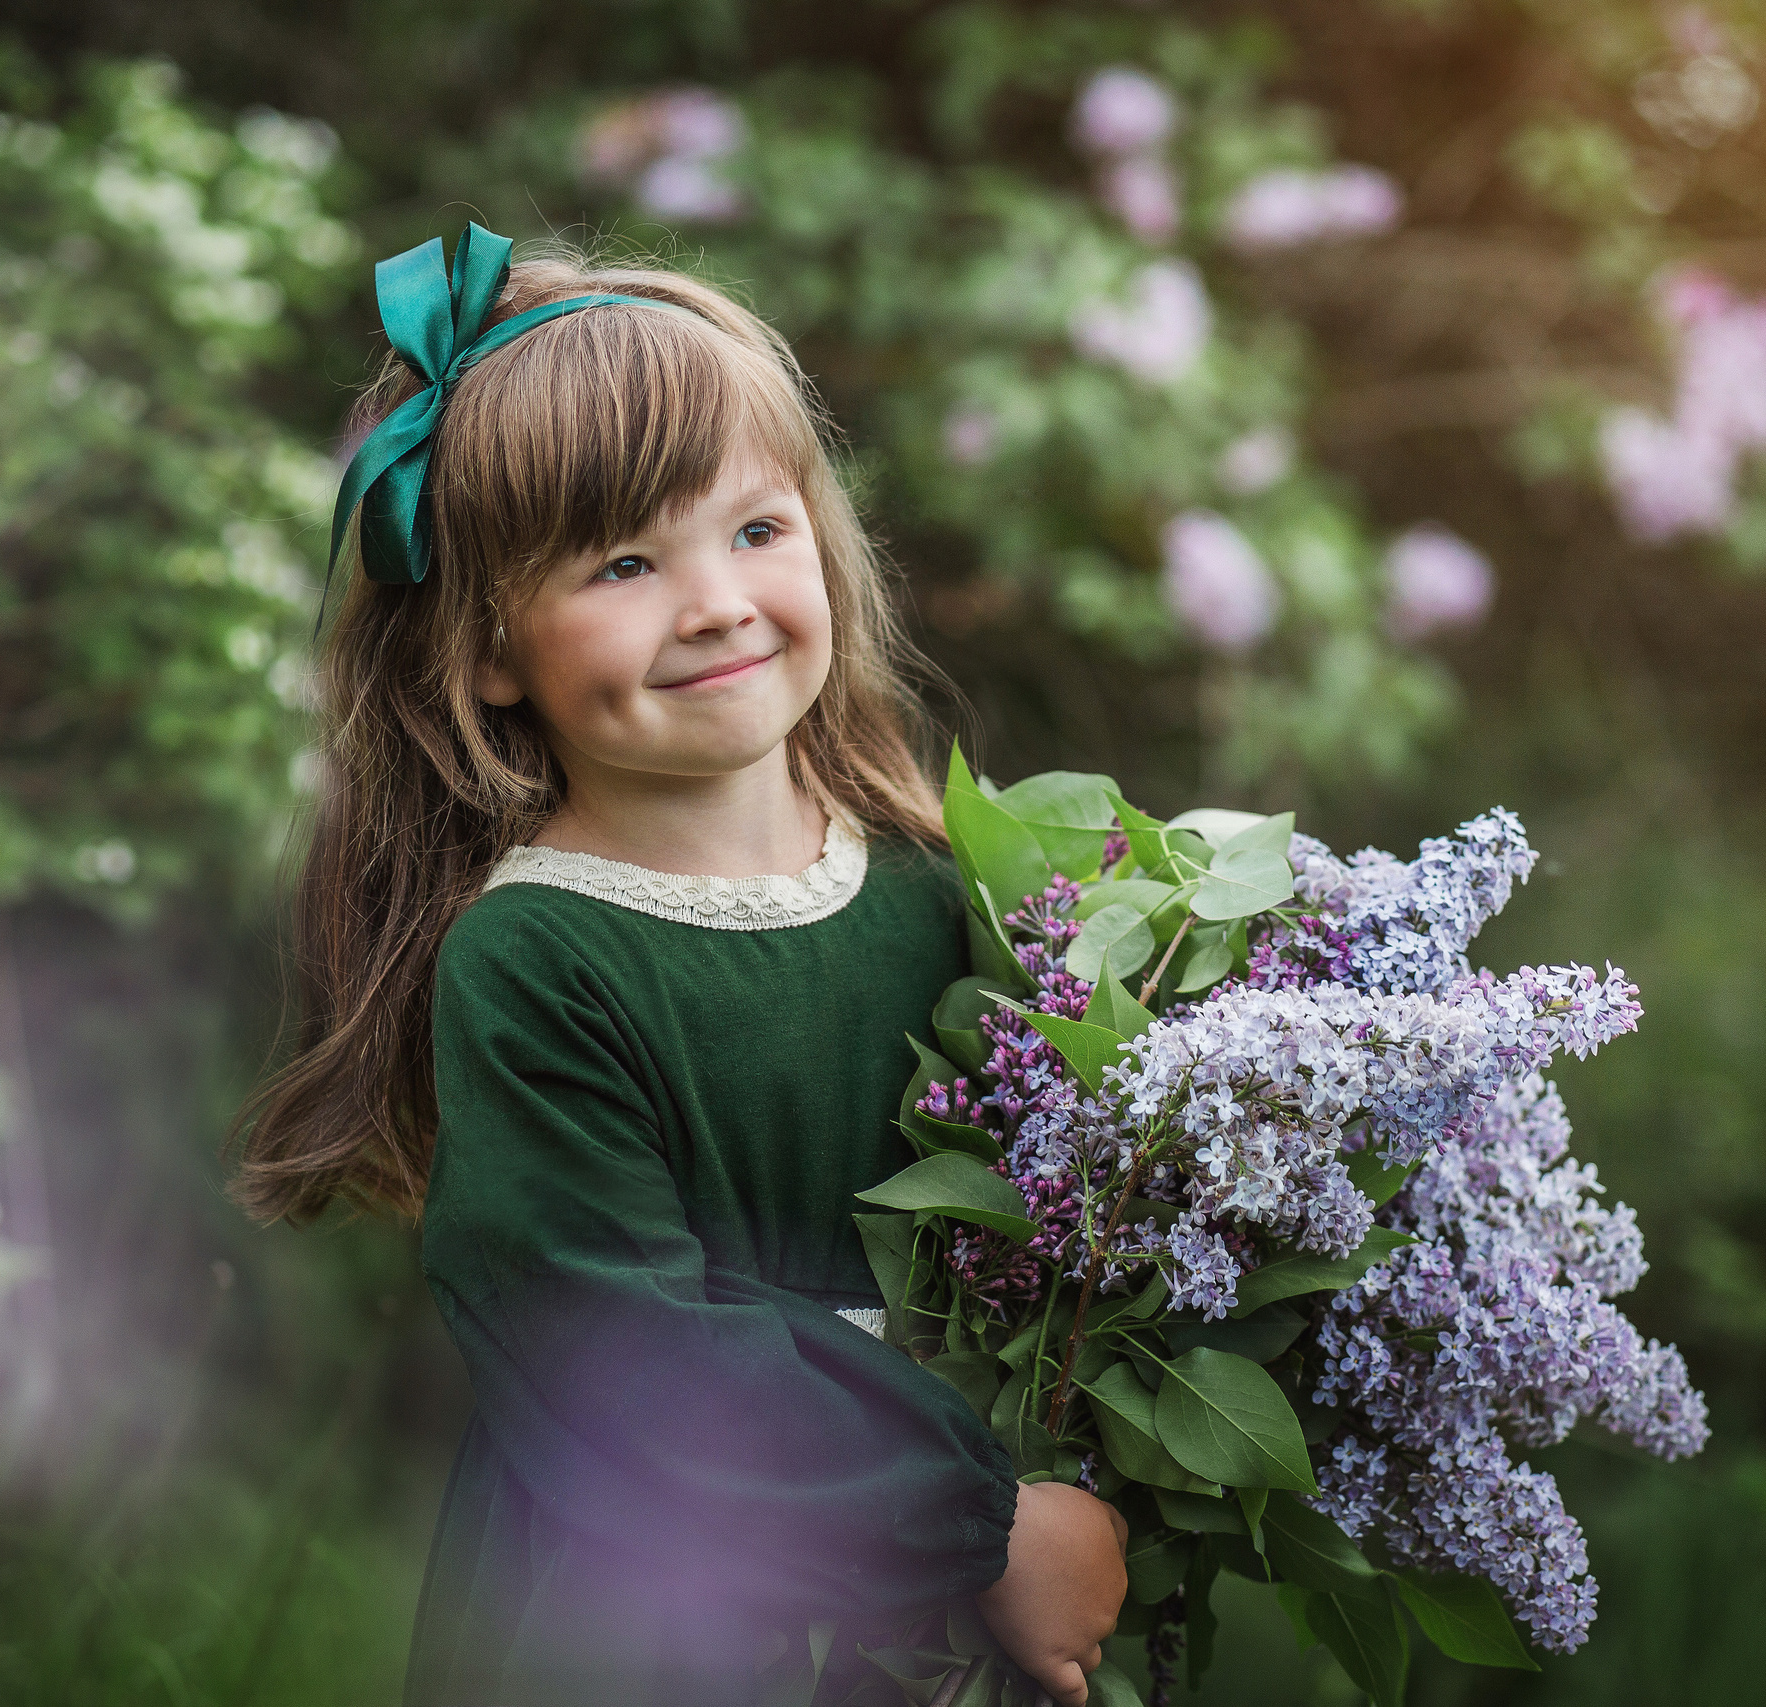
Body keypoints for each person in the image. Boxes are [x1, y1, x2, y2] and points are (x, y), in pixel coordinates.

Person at [234, 224, 1126, 1707]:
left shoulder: (930, 881)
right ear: (489, 648)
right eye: (625, 562)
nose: (714, 601)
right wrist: (982, 1530)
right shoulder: (538, 957)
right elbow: (613, 1342)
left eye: (756, 532)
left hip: (955, 1590)